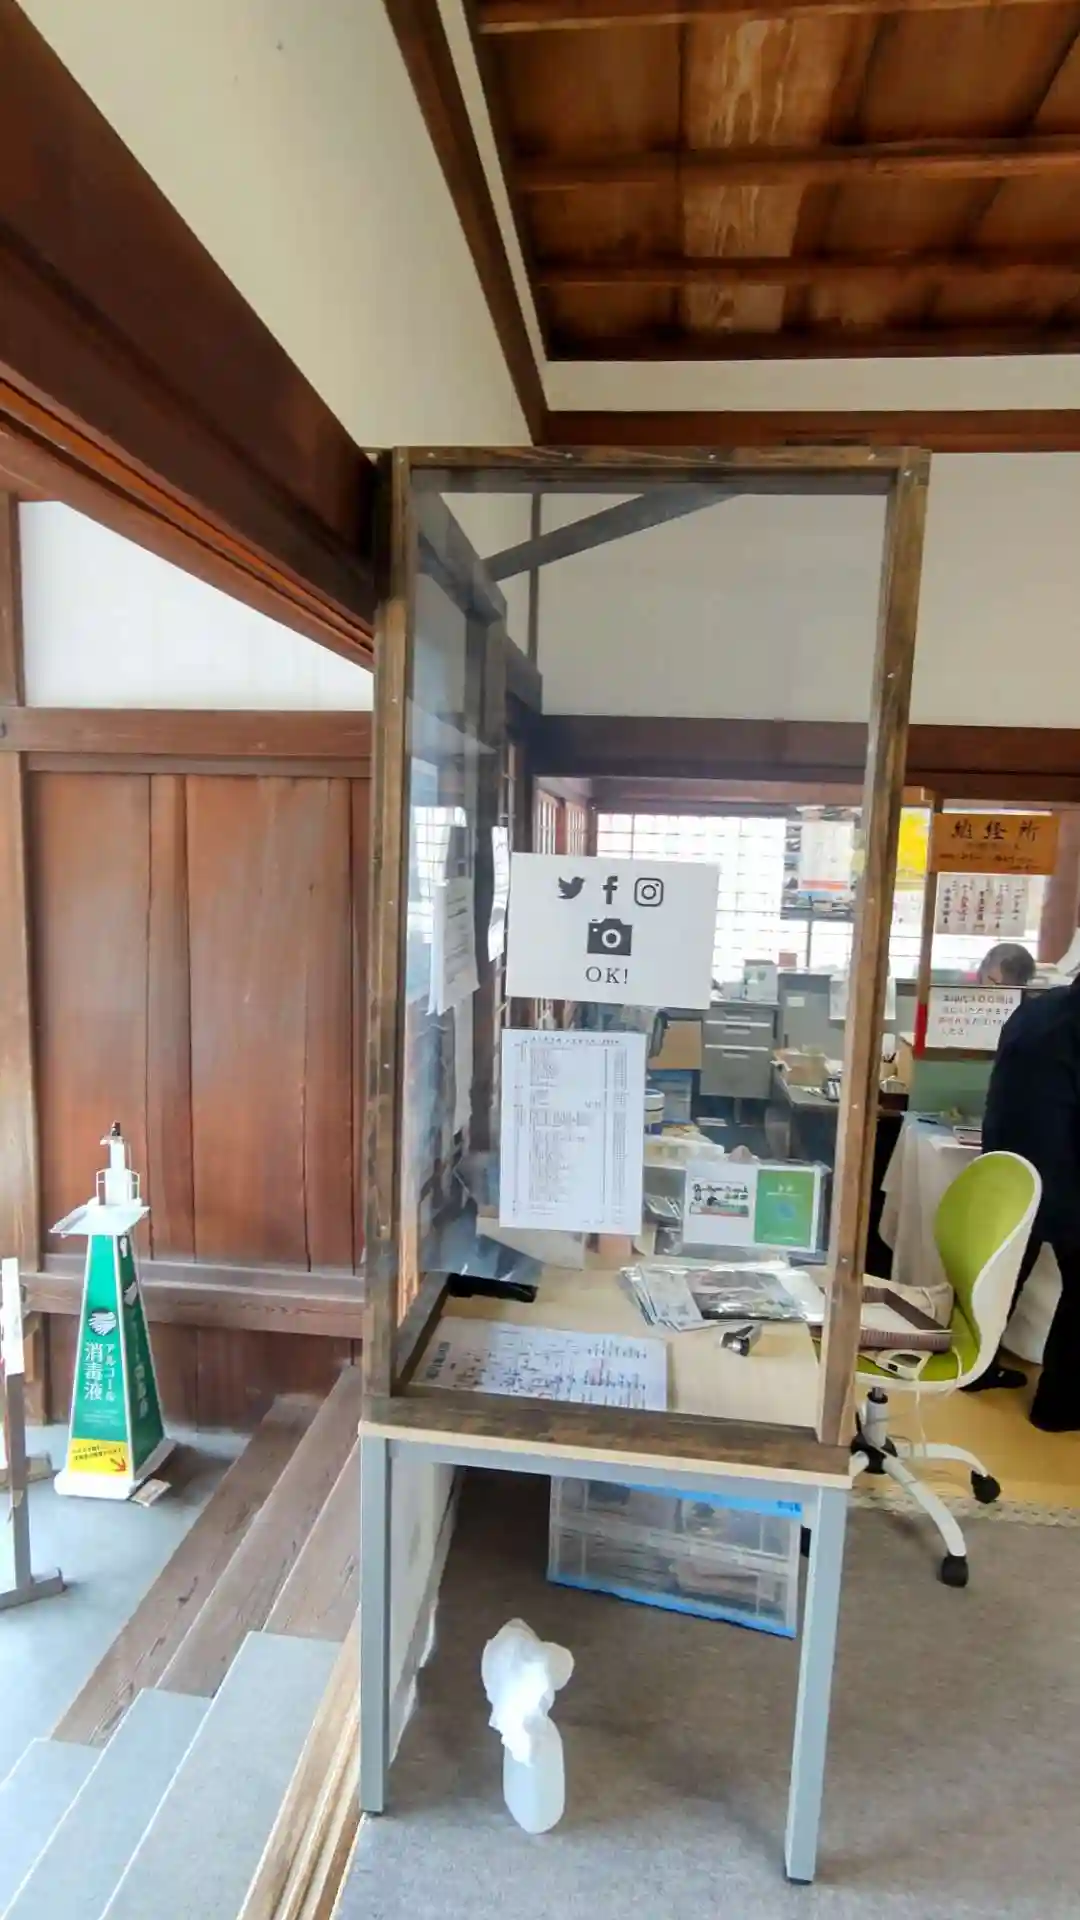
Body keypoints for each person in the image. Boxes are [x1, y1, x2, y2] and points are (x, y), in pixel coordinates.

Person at [980, 976, 1080, 1430]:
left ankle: (976, 1367)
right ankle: (1060, 1406)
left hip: (1005, 1164)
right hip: (1062, 1174)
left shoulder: (1034, 1010)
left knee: (1003, 1271)